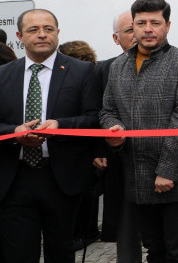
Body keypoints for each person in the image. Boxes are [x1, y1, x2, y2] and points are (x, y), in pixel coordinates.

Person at [100, 0, 178, 263]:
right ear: (133, 27)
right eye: (141, 23)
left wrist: (167, 171)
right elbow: (107, 110)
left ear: (167, 26)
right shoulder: (118, 67)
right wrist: (113, 129)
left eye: (155, 22)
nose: (148, 28)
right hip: (137, 177)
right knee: (155, 252)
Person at [0, 9, 100, 262]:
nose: (42, 35)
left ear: (58, 33)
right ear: (20, 36)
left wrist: (61, 125)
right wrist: (14, 132)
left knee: (61, 253)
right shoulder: (3, 75)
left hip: (62, 179)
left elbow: (94, 118)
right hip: (14, 179)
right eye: (34, 30)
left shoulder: (81, 72)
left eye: (48, 29)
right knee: (18, 254)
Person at [94, 10, 141, 262]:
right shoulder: (104, 69)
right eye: (129, 30)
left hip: (156, 156)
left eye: (140, 26)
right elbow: (96, 112)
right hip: (118, 159)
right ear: (116, 38)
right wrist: (99, 151)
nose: (137, 34)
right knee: (125, 223)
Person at [57, 40, 102, 251]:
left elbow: (95, 114)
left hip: (88, 142)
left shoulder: (88, 75)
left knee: (87, 193)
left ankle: (85, 233)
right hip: (80, 143)